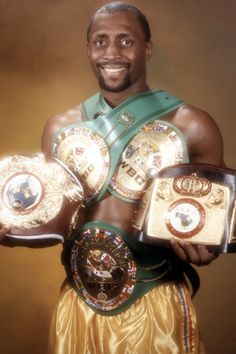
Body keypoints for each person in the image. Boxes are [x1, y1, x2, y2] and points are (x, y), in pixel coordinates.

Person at [0, 2, 224, 353]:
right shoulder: (60, 128)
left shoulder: (192, 125)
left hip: (155, 300)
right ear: (88, 49)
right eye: (100, 41)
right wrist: (15, 233)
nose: (112, 52)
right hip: (78, 303)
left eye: (126, 41)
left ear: (147, 48)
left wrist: (207, 249)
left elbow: (210, 224)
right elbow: (57, 224)